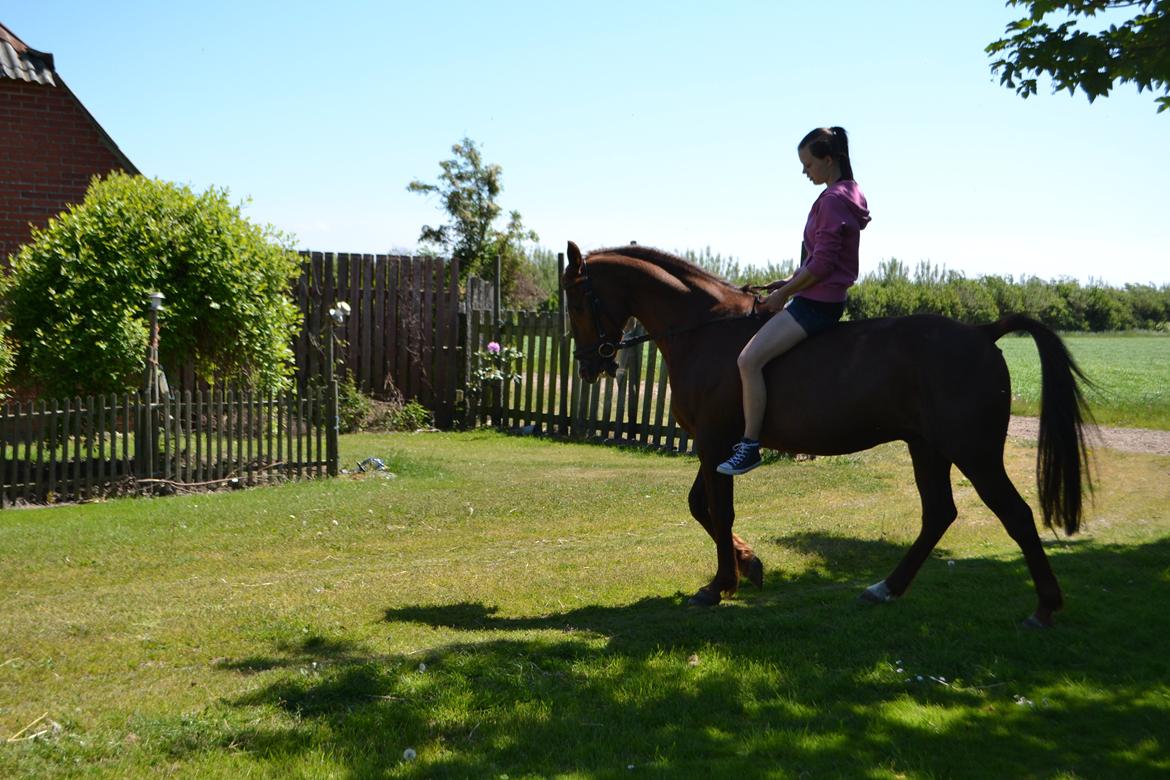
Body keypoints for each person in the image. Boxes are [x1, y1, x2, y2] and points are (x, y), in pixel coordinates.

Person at [716, 126, 871, 476]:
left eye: (808, 164)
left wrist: (783, 296)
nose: (805, 172)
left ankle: (749, 445)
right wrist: (787, 282)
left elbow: (823, 264)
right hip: (823, 297)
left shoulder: (832, 200)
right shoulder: (849, 193)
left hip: (815, 305)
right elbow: (822, 262)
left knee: (748, 360)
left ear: (829, 160)